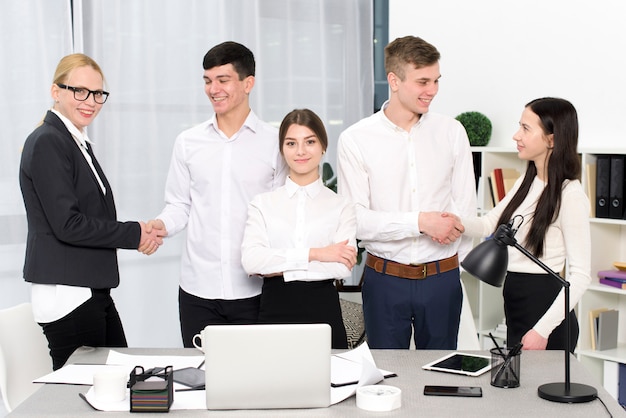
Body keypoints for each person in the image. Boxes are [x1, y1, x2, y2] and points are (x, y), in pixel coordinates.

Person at [19, 53, 163, 370]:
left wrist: (138, 232)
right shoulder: (48, 141)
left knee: (119, 380)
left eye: (98, 93)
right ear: (56, 91)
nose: (91, 101)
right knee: (81, 397)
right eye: (80, 91)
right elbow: (68, 224)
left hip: (86, 288)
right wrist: (135, 233)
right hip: (68, 292)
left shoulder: (74, 140)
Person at [337, 35, 476, 350]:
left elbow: (466, 208)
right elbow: (356, 220)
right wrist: (420, 222)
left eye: (436, 80)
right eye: (423, 81)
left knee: (441, 379)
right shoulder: (356, 139)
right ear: (394, 80)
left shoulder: (452, 132)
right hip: (384, 281)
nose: (433, 90)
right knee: (386, 378)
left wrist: (458, 274)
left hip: (443, 279)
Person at [146, 41, 287, 347]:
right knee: (202, 384)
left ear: (248, 83)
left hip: (256, 291)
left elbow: (281, 215)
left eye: (223, 80)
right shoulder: (188, 142)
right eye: (208, 81)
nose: (213, 89)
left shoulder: (275, 142)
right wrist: (161, 225)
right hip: (198, 292)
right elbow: (179, 205)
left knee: (255, 385)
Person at [458, 97, 591, 351]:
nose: (516, 136)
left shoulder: (570, 195)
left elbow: (581, 276)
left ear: (551, 139)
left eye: (526, 129)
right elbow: (489, 224)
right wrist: (454, 222)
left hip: (546, 311)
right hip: (516, 304)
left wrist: (542, 330)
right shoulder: (526, 181)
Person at [241, 109, 356, 349]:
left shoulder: (341, 206)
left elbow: (341, 266)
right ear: (282, 150)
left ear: (323, 146)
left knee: (332, 385)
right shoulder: (263, 204)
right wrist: (316, 254)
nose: (301, 151)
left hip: (324, 314)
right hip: (274, 313)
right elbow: (252, 261)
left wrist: (278, 265)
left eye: (310, 142)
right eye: (291, 143)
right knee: (271, 384)